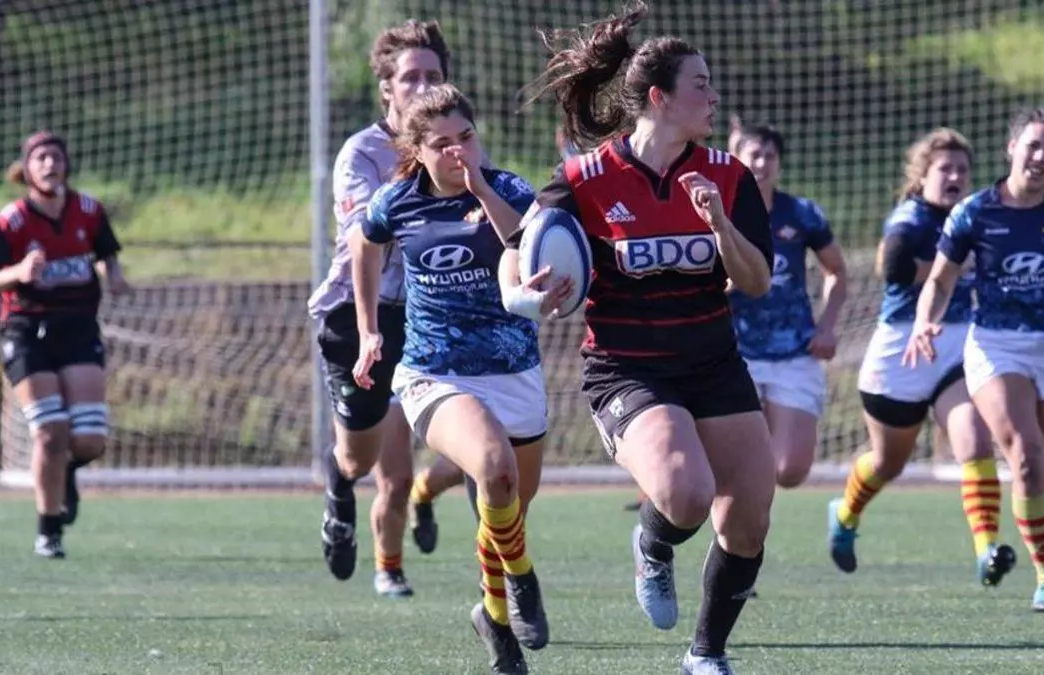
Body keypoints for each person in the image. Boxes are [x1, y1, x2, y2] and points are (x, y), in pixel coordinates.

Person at [508, 4, 776, 672]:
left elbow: (756, 281)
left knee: (749, 519)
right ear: (659, 98)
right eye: (700, 85)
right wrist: (523, 293)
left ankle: (706, 653)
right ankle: (653, 543)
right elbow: (518, 246)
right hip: (628, 368)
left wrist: (719, 226)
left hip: (714, 363)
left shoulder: (728, 176)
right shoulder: (587, 179)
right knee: (686, 494)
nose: (714, 97)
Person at [353, 84, 564, 675]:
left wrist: (481, 191)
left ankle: (493, 618)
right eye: (442, 144)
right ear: (416, 151)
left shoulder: (510, 188)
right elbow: (363, 244)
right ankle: (522, 579)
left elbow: (527, 246)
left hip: (514, 371)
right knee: (494, 468)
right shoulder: (397, 202)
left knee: (506, 507)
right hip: (435, 373)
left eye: (465, 138)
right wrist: (369, 330)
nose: (457, 151)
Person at [905, 108, 1044, 613]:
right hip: (996, 345)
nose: (1041, 157)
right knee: (1025, 456)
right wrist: (924, 320)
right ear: (1011, 148)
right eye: (1033, 146)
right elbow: (939, 280)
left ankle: (1040, 505)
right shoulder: (974, 212)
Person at [307, 20, 463, 596]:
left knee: (456, 453)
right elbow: (364, 239)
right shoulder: (362, 154)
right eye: (410, 77)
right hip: (359, 316)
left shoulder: (460, 145)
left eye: (433, 76)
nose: (423, 87)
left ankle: (493, 581)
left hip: (431, 316)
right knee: (361, 459)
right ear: (386, 90)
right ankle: (339, 482)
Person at [831, 128, 1017, 587]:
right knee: (888, 463)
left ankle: (987, 550)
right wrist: (955, 266)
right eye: (944, 168)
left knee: (974, 441)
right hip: (903, 350)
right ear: (922, 176)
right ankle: (846, 513)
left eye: (962, 169)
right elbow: (896, 264)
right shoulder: (911, 216)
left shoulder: (975, 217)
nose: (954, 176)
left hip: (959, 348)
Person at [0, 131, 129, 558]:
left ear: (67, 165)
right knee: (49, 433)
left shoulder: (89, 211)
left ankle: (63, 473)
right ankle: (49, 530)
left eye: (56, 157)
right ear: (26, 169)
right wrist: (17, 273)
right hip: (27, 333)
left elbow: (106, 252)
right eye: (41, 158)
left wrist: (114, 274)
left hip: (79, 331)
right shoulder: (11, 222)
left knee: (89, 441)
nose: (50, 164)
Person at [727, 121, 848, 490]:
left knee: (790, 470)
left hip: (795, 351)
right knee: (737, 465)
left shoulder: (801, 214)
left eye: (770, 156)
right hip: (733, 354)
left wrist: (827, 327)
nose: (761, 163)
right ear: (736, 159)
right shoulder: (718, 212)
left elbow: (836, 271)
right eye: (754, 155)